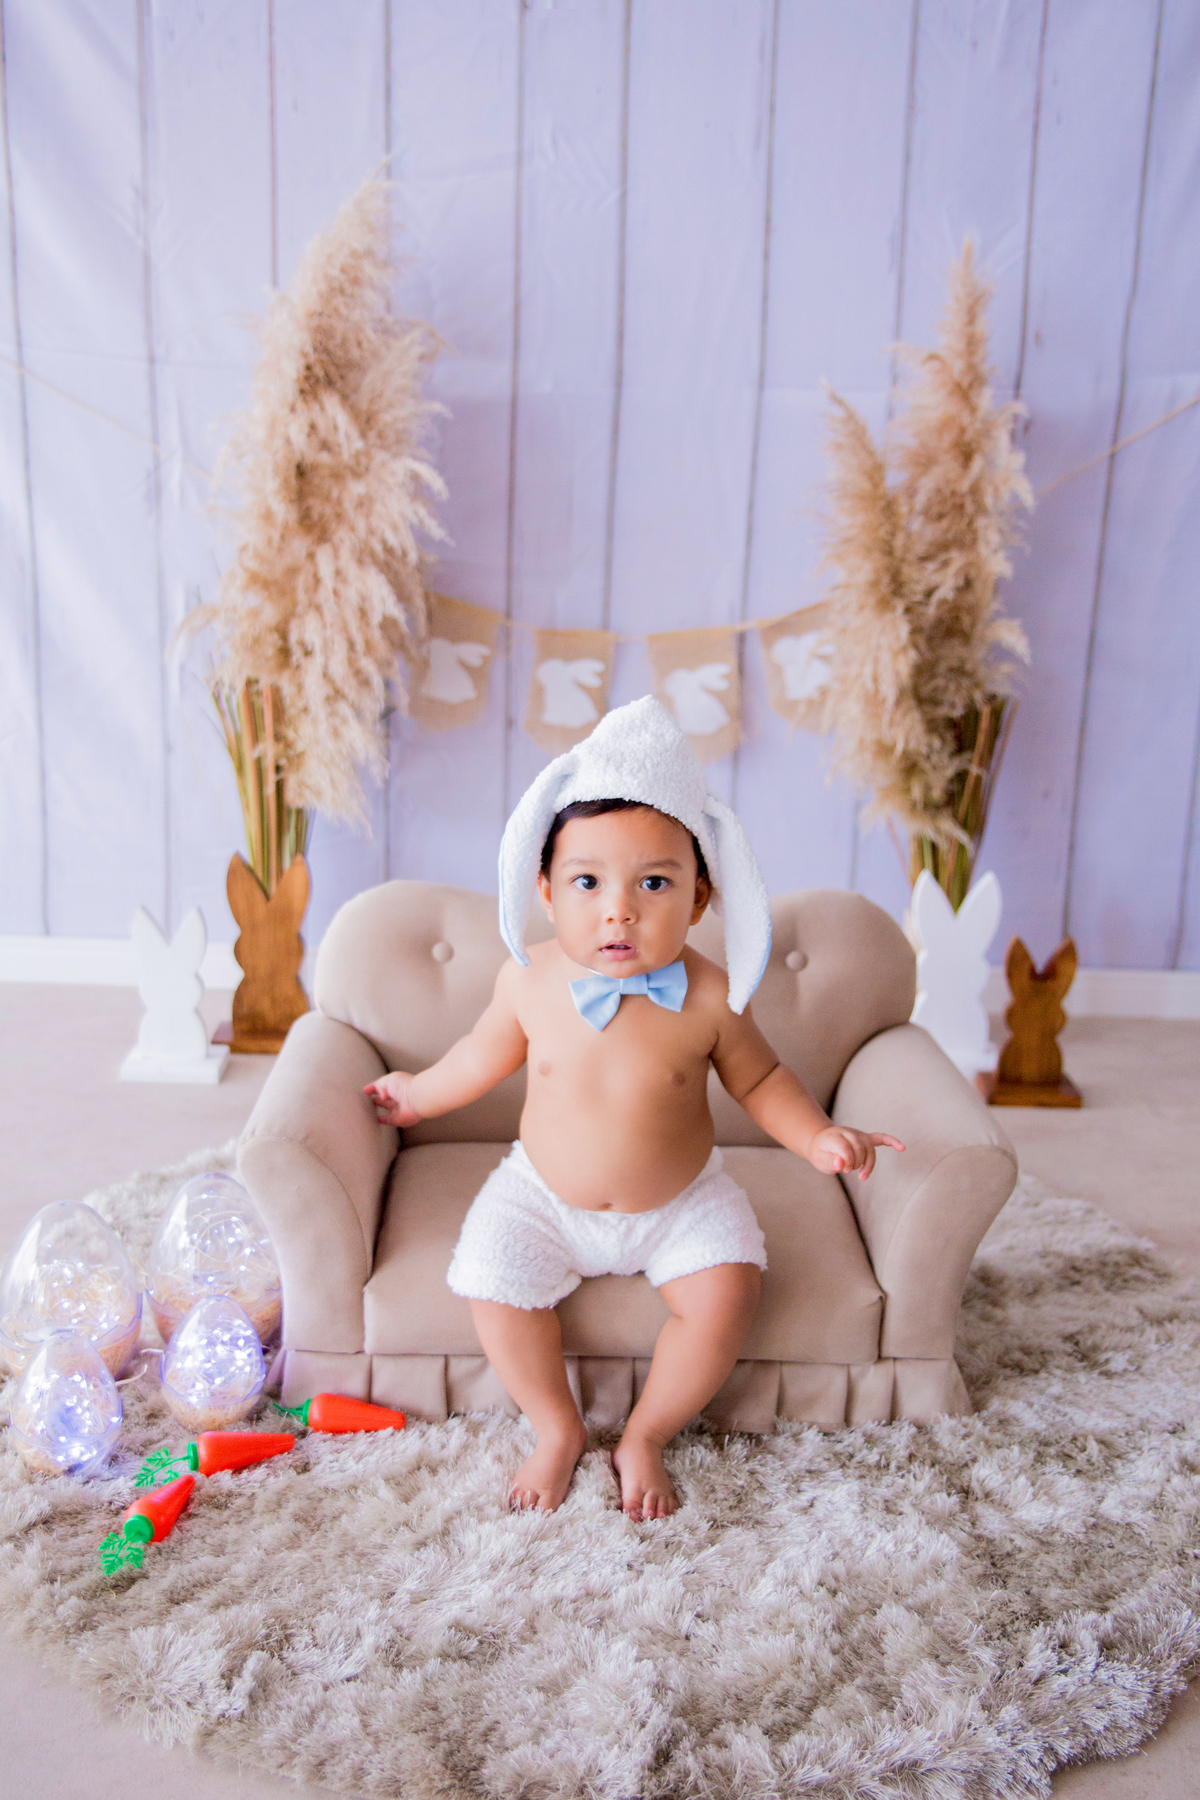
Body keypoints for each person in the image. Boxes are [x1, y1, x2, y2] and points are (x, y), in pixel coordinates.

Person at [366, 698, 903, 1519]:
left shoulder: (713, 995)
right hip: (542, 1193)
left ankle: (647, 1433)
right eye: (588, 882)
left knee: (729, 1290)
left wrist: (819, 1134)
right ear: (545, 891)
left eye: (654, 882)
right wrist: (412, 1095)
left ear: (698, 900)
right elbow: (477, 1059)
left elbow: (762, 1082)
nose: (620, 909)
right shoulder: (529, 981)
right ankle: (556, 1426)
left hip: (680, 1199)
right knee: (491, 1281)